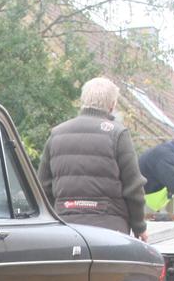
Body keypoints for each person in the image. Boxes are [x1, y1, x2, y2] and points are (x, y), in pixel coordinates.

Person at [36, 77, 147, 240]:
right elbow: (133, 187)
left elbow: (43, 187)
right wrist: (139, 227)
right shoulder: (118, 134)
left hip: (66, 228)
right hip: (110, 230)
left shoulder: (57, 134)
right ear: (112, 105)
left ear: (82, 101)